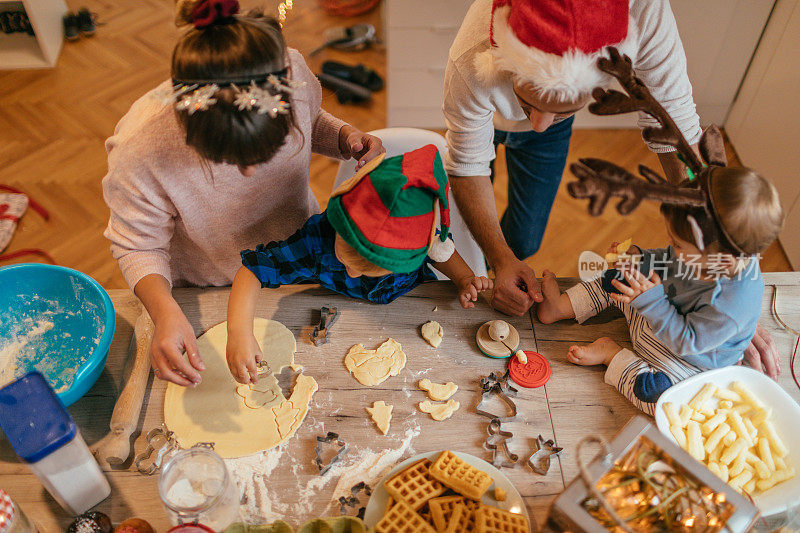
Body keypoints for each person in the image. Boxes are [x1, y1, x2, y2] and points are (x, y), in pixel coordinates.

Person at [442, 0, 781, 378]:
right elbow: (467, 163)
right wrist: (499, 259)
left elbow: (677, 127)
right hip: (476, 113)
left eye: (563, 111)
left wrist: (728, 301)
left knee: (525, 237)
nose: (537, 125)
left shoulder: (646, 15)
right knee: (490, 247)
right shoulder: (472, 53)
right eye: (527, 100)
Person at [102, 0, 384, 387]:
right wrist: (165, 313)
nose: (250, 172)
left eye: (268, 150)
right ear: (189, 128)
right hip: (212, 282)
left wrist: (341, 137)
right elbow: (137, 245)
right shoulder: (141, 148)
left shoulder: (292, 72)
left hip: (296, 256)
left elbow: (312, 117)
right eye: (225, 160)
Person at [226, 145, 493, 383]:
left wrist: (463, 278)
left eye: (365, 269)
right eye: (343, 259)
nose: (351, 273)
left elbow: (440, 251)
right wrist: (239, 332)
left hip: (416, 308)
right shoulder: (315, 242)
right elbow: (253, 271)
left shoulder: (417, 234)